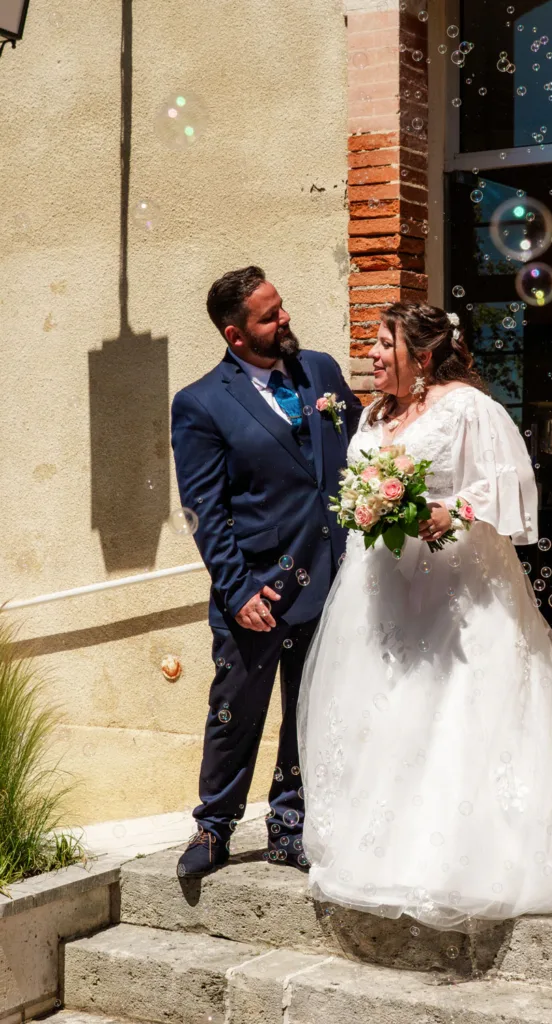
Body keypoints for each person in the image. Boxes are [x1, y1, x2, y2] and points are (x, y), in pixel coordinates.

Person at [297, 302, 552, 932]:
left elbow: (512, 487)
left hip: (457, 594)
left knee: (453, 716)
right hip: (382, 590)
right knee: (389, 717)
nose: (370, 354)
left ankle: (456, 857)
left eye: (382, 343)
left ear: (419, 356)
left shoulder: (470, 408)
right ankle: (380, 849)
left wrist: (453, 513)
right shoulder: (372, 414)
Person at [171, 266, 363, 878]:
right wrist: (237, 589)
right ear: (235, 334)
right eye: (268, 316)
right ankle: (214, 825)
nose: (284, 320)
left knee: (309, 707)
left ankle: (290, 825)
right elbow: (205, 508)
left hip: (332, 578)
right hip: (257, 585)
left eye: (281, 307)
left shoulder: (322, 372)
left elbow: (361, 448)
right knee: (236, 709)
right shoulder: (200, 404)